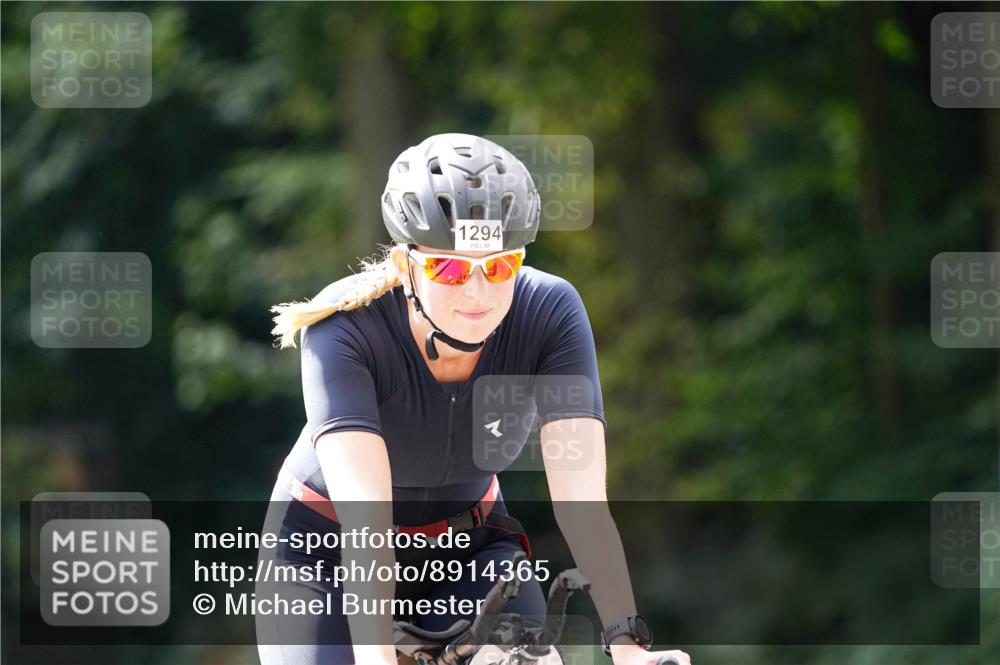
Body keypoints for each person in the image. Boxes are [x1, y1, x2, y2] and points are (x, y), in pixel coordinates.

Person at [256, 133, 691, 665]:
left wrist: (627, 645)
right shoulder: (344, 330)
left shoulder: (550, 313)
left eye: (499, 266)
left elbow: (582, 505)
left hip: (472, 555)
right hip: (326, 555)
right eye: (450, 269)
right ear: (405, 263)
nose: (477, 294)